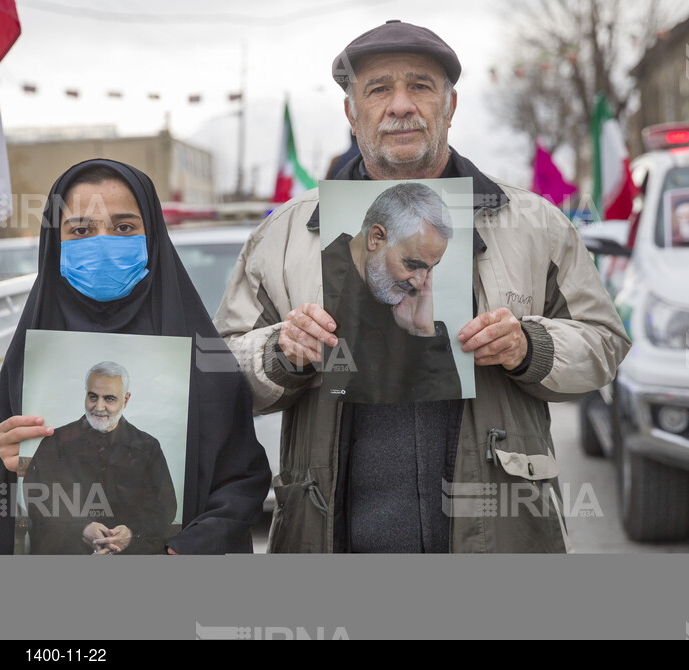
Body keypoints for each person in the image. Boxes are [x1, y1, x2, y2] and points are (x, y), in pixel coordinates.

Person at [214, 20, 631, 553]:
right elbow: (220, 373)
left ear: (449, 106)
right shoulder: (285, 234)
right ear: (351, 111)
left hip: (496, 545)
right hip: (335, 544)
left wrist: (531, 347)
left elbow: (605, 343)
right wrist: (280, 352)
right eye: (379, 88)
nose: (401, 105)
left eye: (420, 86)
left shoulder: (534, 223)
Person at [0, 158, 271, 555]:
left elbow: (243, 480)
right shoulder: (29, 368)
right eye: (80, 230)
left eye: (124, 228)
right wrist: (8, 465)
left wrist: (190, 545)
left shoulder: (205, 366)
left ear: (152, 237)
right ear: (53, 243)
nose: (102, 241)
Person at [322, 182, 461, 403]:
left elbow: (446, 412)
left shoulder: (403, 305)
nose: (419, 283)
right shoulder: (311, 284)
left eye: (430, 268)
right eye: (412, 264)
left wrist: (424, 334)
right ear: (376, 238)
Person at [20, 362, 177, 555]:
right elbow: (36, 496)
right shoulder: (55, 442)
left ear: (125, 400)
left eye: (110, 398)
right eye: (93, 397)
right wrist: (81, 528)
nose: (99, 407)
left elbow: (165, 508)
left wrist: (132, 533)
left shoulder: (148, 447)